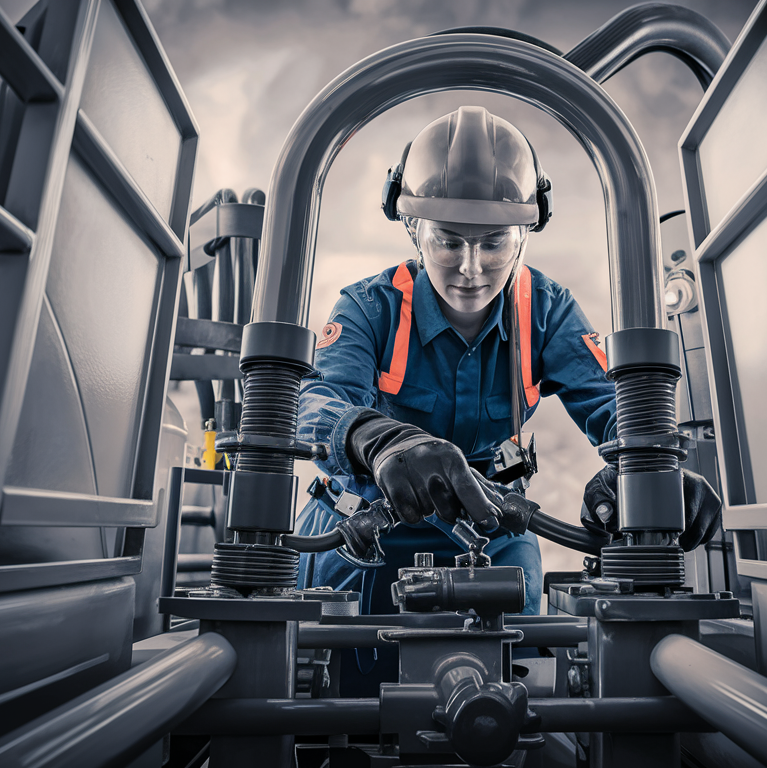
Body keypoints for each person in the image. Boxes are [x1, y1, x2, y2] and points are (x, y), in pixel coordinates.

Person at [292, 106, 717, 688]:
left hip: (491, 527)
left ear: (525, 232)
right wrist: (382, 440)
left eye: (494, 242)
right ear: (413, 228)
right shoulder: (369, 308)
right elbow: (316, 407)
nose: (471, 269)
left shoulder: (547, 311)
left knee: (515, 693)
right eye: (448, 242)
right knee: (343, 701)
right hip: (363, 534)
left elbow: (611, 403)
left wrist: (649, 472)